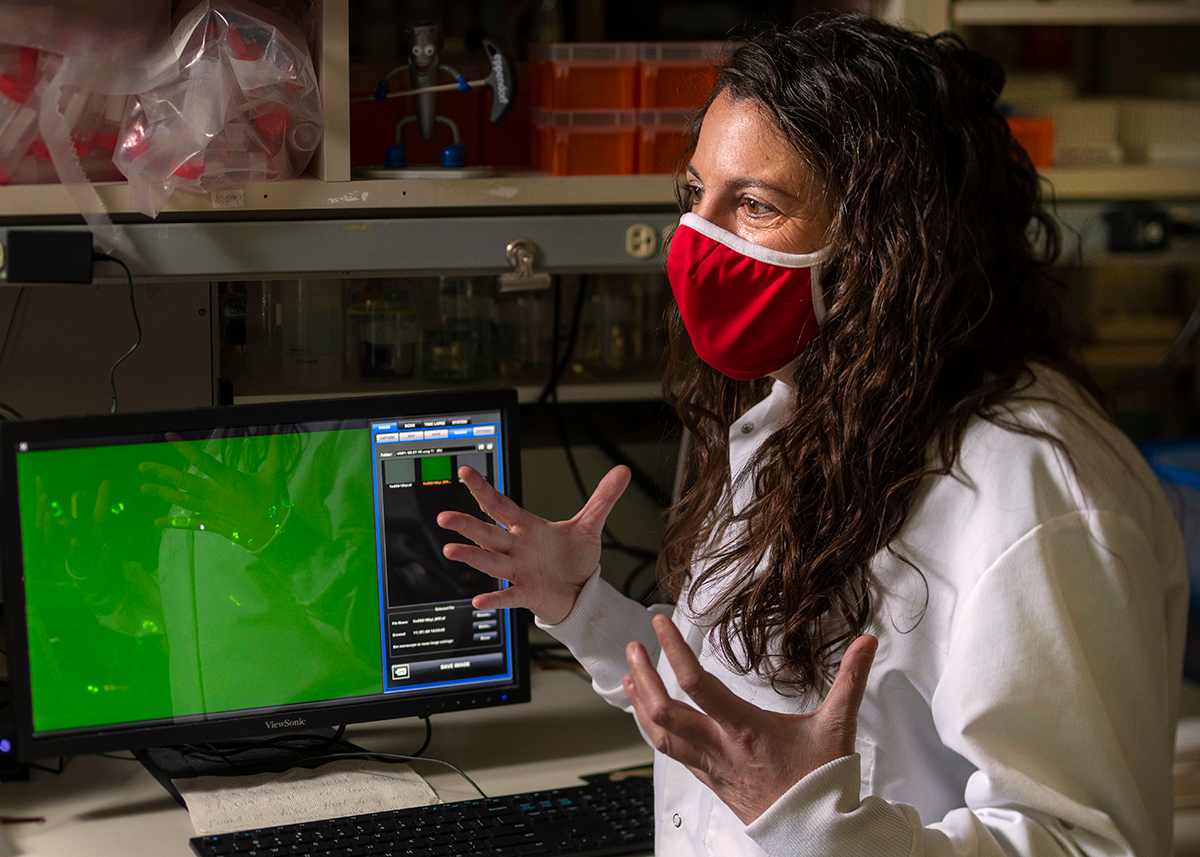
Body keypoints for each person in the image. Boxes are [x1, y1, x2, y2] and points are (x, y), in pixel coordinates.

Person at [438, 13, 1188, 856]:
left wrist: (814, 820)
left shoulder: (1034, 490)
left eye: (755, 205)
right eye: (696, 195)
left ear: (889, 244)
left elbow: (1093, 844)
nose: (696, 240)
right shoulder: (818, 399)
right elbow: (738, 719)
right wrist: (581, 610)